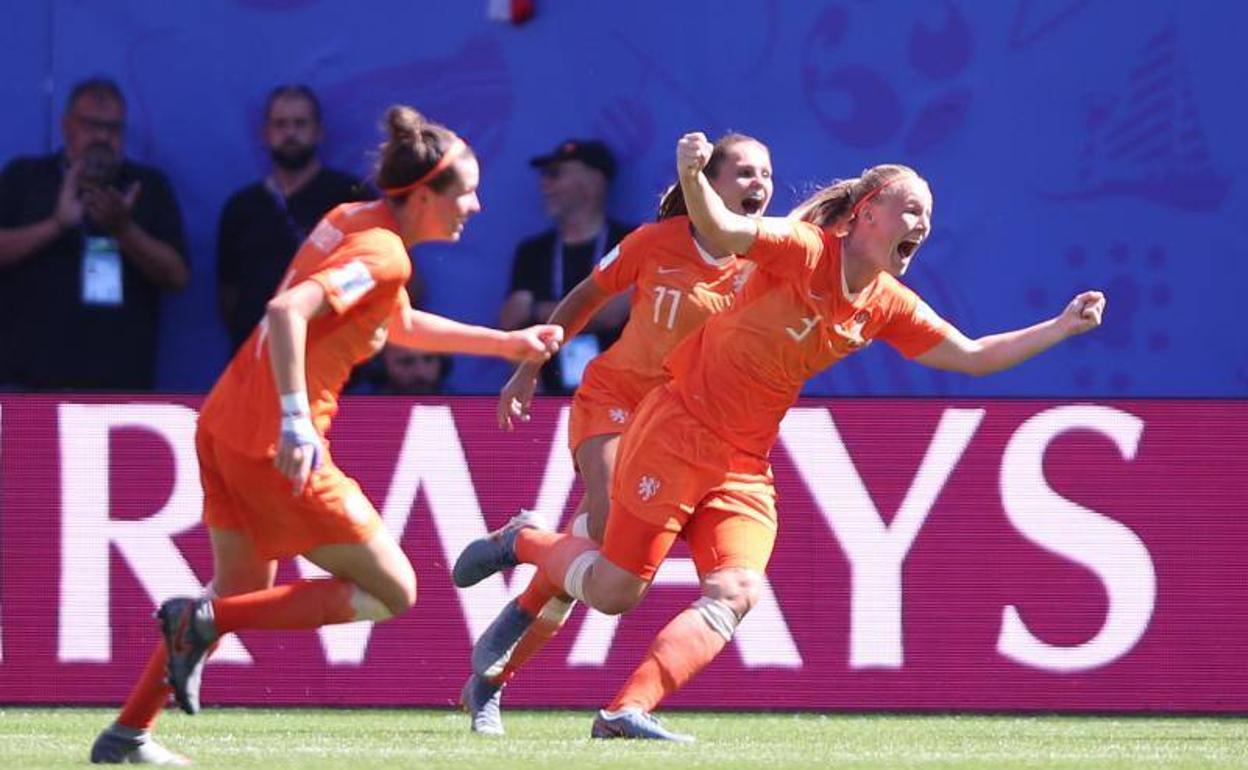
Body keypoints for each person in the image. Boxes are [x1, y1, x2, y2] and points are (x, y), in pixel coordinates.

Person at [454, 132, 1107, 741]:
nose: (921, 224)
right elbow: (725, 229)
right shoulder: (802, 250)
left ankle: (625, 711)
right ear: (866, 214)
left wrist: (1058, 327)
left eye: (927, 216)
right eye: (909, 209)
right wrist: (689, 173)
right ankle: (524, 542)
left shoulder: (884, 302)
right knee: (616, 591)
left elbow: (970, 355)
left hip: (743, 463)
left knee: (737, 592)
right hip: (675, 430)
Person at [89, 105, 563, 765]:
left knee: (236, 591)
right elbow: (287, 311)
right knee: (393, 589)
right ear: (423, 194)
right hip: (275, 444)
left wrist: (506, 342)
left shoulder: (353, 222)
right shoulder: (382, 251)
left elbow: (392, 323)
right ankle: (199, 627)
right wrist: (291, 417)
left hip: (224, 425)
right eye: (466, 191)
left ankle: (128, 733)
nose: (477, 205)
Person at [461, 134, 775, 735]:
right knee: (603, 534)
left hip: (682, 425)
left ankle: (489, 683)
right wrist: (529, 368)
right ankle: (524, 542)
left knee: (587, 562)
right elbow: (584, 297)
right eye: (743, 172)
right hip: (616, 400)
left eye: (766, 173)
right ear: (704, 183)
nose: (759, 184)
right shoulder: (655, 242)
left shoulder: (766, 261)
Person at [0, 77, 188, 390]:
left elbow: (177, 276)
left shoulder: (147, 186)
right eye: (90, 125)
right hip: (27, 381)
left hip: (119, 381)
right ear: (66, 126)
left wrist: (124, 230)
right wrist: (55, 226)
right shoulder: (25, 178)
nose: (101, 137)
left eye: (112, 128)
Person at [218, 85, 394, 352]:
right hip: (256, 359)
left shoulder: (352, 198)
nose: (290, 133)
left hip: (335, 360)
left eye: (300, 123)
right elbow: (228, 295)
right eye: (281, 124)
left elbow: (388, 273)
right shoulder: (241, 206)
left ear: (318, 131)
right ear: (266, 133)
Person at [498, 139, 634, 394]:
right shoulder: (533, 251)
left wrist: (536, 309)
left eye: (555, 174)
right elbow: (511, 319)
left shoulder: (632, 242)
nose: (545, 185)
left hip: (624, 398)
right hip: (551, 397)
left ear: (594, 181)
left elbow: (612, 314)